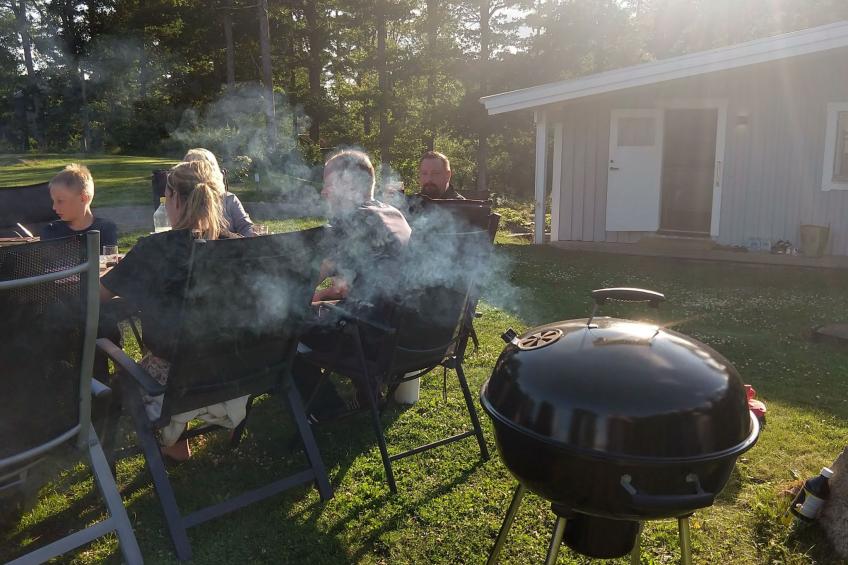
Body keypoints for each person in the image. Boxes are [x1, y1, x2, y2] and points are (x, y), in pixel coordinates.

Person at [100, 160, 246, 461]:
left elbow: (99, 295)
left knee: (128, 375)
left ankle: (174, 443)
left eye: (166, 198)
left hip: (175, 385)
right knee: (189, 346)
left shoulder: (154, 249)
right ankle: (180, 440)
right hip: (236, 374)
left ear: (176, 199)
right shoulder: (237, 247)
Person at [296, 149, 412, 420]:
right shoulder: (393, 213)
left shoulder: (350, 221)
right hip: (404, 339)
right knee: (352, 306)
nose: (324, 192)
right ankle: (366, 393)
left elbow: (307, 277)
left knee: (282, 322)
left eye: (328, 183)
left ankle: (325, 407)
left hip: (371, 342)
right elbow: (345, 284)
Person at [183, 148, 256, 237]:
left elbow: (245, 226)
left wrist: (251, 235)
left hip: (230, 249)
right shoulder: (181, 200)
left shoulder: (229, 199)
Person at [40, 164, 118, 246]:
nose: (54, 207)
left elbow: (109, 257)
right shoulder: (51, 232)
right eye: (54, 201)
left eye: (60, 201)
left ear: (83, 199)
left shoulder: (105, 229)